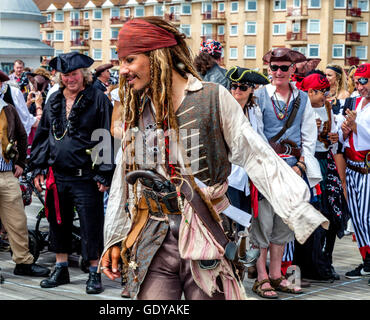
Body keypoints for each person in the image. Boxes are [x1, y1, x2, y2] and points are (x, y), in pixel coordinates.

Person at [100, 17, 328, 301]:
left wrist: (298, 210)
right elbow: (125, 173)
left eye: (130, 60)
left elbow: (257, 156)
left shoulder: (212, 97)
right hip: (152, 237)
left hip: (207, 234)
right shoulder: (139, 104)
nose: (123, 70)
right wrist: (116, 236)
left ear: (157, 57)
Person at [29, 52, 115, 293]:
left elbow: (104, 135)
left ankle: (93, 271)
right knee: (58, 221)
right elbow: (44, 134)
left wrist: (104, 172)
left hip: (86, 176)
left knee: (91, 223)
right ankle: (61, 267)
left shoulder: (97, 98)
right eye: (65, 75)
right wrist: (38, 166)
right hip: (58, 174)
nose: (70, 79)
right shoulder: (54, 99)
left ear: (84, 75)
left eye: (74, 74)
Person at [251, 47, 322, 298]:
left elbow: (309, 137)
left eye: (284, 67)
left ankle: (276, 275)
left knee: (283, 224)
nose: (278, 72)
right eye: (274, 67)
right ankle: (261, 277)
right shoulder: (258, 96)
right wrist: (266, 166)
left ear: (293, 70)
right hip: (266, 170)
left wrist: (301, 166)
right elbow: (254, 134)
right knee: (263, 222)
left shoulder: (302, 99)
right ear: (268, 69)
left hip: (292, 168)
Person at [0, 64, 50, 284]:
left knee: (17, 221)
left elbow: (22, 137)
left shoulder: (8, 109)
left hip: (7, 173)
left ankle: (23, 262)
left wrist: (21, 163)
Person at [295, 72, 350, 281]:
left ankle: (324, 261)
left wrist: (334, 138)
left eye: (327, 91)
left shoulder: (328, 108)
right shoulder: (300, 109)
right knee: (309, 213)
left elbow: (333, 144)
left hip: (325, 163)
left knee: (332, 214)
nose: (326, 95)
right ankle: (306, 264)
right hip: (307, 164)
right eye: (322, 91)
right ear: (310, 92)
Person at [225, 66, 269, 229]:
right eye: (234, 86)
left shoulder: (254, 110)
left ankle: (240, 253)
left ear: (252, 89)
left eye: (243, 87)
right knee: (230, 224)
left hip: (248, 176)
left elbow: (260, 138)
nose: (237, 90)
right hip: (229, 176)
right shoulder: (224, 109)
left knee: (244, 222)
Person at [338, 63, 370, 285]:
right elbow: (344, 137)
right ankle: (367, 260)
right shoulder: (355, 103)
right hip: (352, 167)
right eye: (357, 81)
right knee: (358, 218)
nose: (359, 86)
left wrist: (356, 126)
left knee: (368, 217)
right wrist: (343, 131)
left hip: (367, 168)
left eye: (364, 81)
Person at [326, 64, 350, 203]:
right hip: (325, 141)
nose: (326, 78)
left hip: (340, 141)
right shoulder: (324, 94)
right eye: (326, 75)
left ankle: (345, 214)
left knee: (341, 179)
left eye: (330, 75)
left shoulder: (345, 96)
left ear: (338, 78)